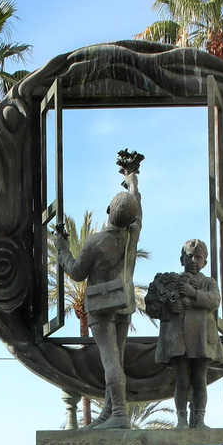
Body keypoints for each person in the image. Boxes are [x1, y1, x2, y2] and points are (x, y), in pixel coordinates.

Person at [57, 148, 143, 428]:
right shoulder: (133, 233)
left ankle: (119, 415)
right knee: (116, 358)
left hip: (101, 309)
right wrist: (132, 180)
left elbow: (76, 272)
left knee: (111, 362)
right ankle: (108, 413)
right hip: (124, 305)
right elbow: (138, 205)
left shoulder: (95, 242)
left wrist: (62, 249)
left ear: (108, 211)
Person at [144, 238, 223, 428]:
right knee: (182, 379)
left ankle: (200, 419)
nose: (194, 261)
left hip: (202, 339)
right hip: (178, 339)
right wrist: (170, 306)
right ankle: (181, 419)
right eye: (189, 257)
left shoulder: (208, 282)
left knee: (199, 379)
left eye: (198, 257)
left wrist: (193, 294)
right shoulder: (172, 282)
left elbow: (214, 300)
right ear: (182, 259)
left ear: (205, 261)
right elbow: (155, 309)